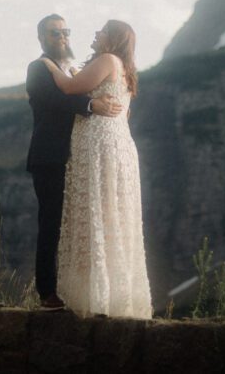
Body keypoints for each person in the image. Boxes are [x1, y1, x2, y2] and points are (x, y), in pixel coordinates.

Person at [41, 19, 153, 319]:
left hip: (99, 148)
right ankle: (112, 297)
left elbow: (67, 87)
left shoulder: (106, 60)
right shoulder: (124, 68)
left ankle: (96, 298)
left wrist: (50, 66)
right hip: (120, 146)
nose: (96, 33)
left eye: (102, 31)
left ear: (112, 39)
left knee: (96, 216)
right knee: (112, 217)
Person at [26, 14, 122, 311]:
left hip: (81, 160)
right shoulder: (38, 68)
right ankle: (46, 292)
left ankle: (80, 290)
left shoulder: (77, 69)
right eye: (55, 33)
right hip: (50, 157)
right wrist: (92, 105)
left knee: (79, 225)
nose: (62, 37)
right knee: (51, 224)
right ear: (42, 38)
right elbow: (57, 101)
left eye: (65, 31)